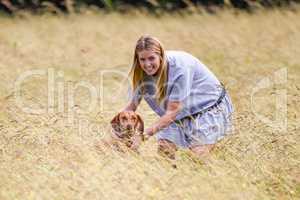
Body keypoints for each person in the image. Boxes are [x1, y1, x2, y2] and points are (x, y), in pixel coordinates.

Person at [119, 35, 234, 160]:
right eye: (142, 59)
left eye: (152, 58)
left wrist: (142, 136)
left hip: (207, 108)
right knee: (165, 151)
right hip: (178, 115)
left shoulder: (180, 68)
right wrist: (117, 134)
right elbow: (130, 107)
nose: (147, 64)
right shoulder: (140, 73)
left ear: (161, 56)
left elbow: (172, 112)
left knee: (198, 157)